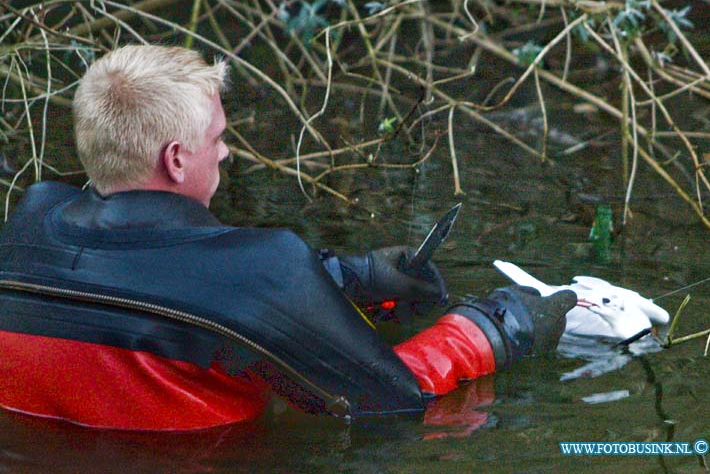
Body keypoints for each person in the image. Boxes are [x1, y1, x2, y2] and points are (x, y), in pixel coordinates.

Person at [0, 45, 576, 430]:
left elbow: (175, 277)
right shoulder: (264, 268)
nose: (225, 150)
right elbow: (388, 399)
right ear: (176, 159)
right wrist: (494, 328)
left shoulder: (26, 227)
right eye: (218, 137)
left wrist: (350, 278)